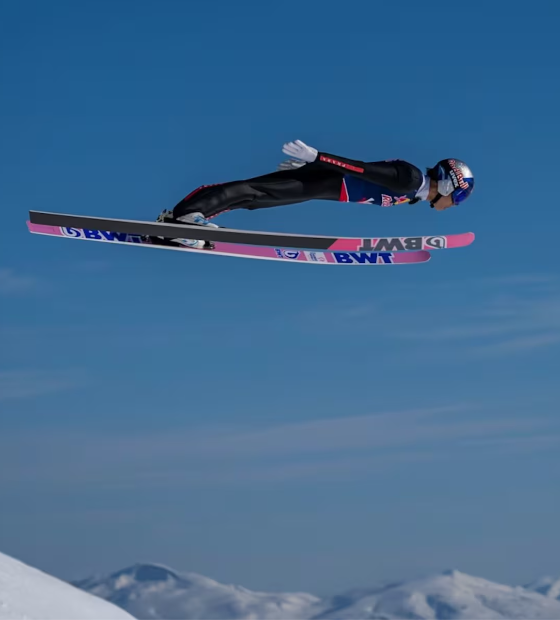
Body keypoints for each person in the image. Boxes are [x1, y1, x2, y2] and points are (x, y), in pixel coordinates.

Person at [157, 140, 475, 249]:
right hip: (325, 180)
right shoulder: (410, 180)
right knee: (253, 191)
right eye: (458, 198)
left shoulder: (413, 191)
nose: (453, 205)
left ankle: (182, 224)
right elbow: (362, 170)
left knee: (254, 199)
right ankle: (185, 220)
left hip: (323, 184)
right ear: (447, 184)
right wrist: (317, 158)